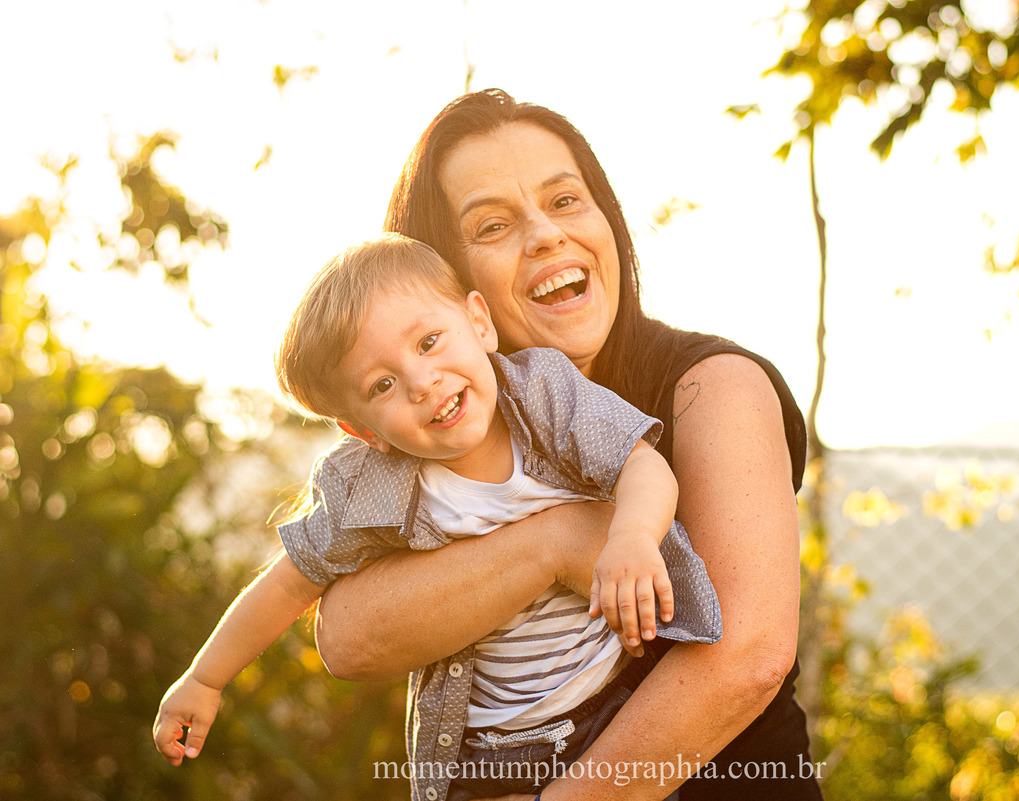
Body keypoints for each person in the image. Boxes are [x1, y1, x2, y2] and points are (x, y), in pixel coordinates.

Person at [313, 89, 822, 801]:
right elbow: (348, 637)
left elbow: (746, 655)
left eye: (565, 200)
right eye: (493, 224)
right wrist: (554, 544)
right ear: (449, 287)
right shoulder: (422, 438)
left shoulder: (713, 385)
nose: (547, 235)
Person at [151, 235, 723, 800]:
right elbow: (288, 581)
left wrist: (631, 536)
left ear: (479, 322)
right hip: (485, 753)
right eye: (383, 384)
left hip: (613, 707)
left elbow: (641, 464)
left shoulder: (545, 394)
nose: (423, 383)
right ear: (364, 432)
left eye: (428, 341)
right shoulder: (372, 488)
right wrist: (204, 679)